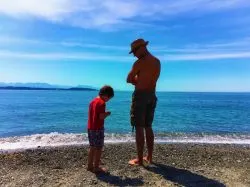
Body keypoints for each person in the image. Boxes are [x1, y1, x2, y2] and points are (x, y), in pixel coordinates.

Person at [126, 38, 161, 166]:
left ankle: (140, 160)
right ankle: (149, 157)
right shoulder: (157, 62)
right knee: (148, 126)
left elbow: (129, 79)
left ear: (142, 48)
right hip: (152, 95)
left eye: (134, 51)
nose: (134, 54)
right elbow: (153, 79)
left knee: (139, 127)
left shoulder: (139, 63)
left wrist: (138, 81)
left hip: (140, 96)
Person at [87, 85, 114, 173]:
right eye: (109, 98)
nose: (108, 100)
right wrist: (107, 113)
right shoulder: (102, 103)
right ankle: (96, 167)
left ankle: (89, 166)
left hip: (90, 127)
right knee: (99, 148)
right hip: (98, 128)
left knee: (92, 147)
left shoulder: (92, 101)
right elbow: (101, 117)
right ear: (106, 95)